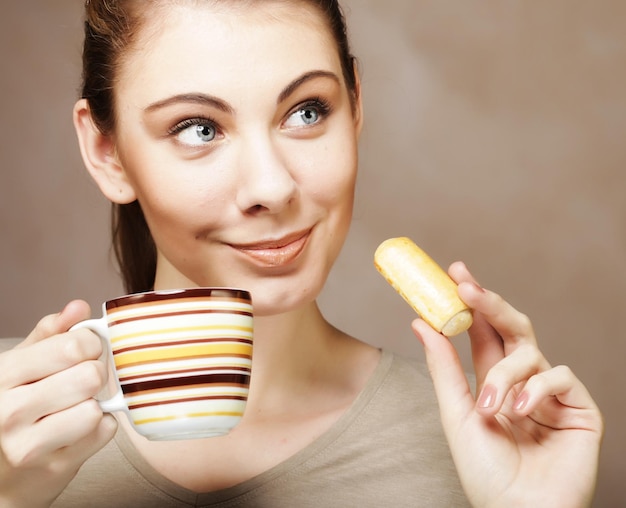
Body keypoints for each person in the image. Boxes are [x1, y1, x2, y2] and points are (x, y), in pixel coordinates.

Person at [0, 1, 603, 506]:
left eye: (306, 112)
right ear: (107, 151)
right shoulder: (9, 428)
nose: (271, 187)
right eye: (198, 128)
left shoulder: (481, 443)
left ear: (356, 107)